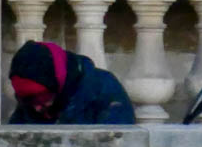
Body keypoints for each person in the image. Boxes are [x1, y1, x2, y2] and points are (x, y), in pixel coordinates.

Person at [7, 39, 135, 125]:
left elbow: (118, 144)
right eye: (27, 100)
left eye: (42, 97)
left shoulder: (103, 90)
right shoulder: (30, 106)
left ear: (56, 84)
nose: (37, 107)